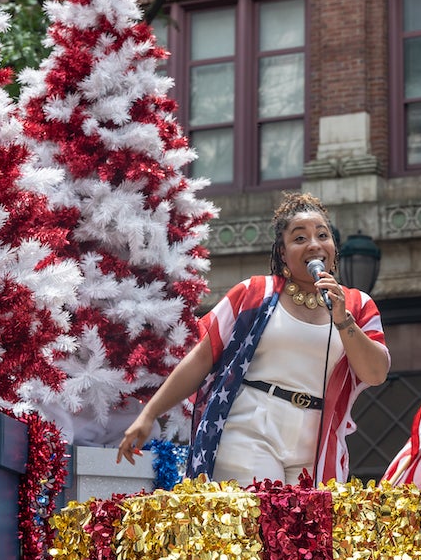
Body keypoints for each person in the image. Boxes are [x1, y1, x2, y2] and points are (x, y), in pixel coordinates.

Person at [117, 192, 390, 486]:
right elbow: (200, 359)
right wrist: (149, 414)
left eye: (322, 235)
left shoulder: (357, 304)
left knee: (304, 530)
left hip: (318, 436)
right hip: (252, 428)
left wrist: (342, 318)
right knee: (259, 524)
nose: (313, 244)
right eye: (299, 238)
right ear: (283, 253)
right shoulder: (255, 293)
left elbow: (375, 373)